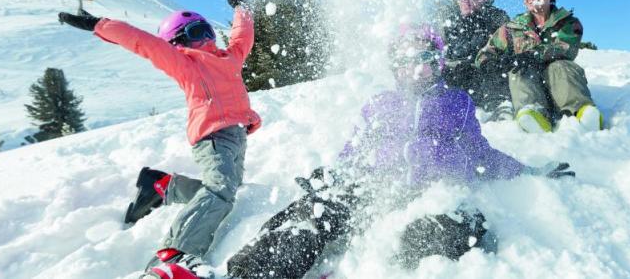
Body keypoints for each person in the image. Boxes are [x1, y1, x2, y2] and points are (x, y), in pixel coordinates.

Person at [223, 24, 575, 279]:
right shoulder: (380, 104)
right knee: (312, 216)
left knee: (449, 230)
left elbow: (483, 154)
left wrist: (531, 171)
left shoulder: (457, 103)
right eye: (407, 58)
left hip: (435, 193)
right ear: (395, 65)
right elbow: (354, 150)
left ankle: (386, 265)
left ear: (438, 61)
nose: (417, 66)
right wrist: (333, 176)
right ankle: (247, 274)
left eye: (426, 57)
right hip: (377, 190)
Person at [58, 0, 261, 279]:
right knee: (221, 189)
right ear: (178, 43)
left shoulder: (229, 57)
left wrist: (242, 8)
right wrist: (98, 24)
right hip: (212, 136)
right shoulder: (185, 64)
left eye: (208, 30)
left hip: (236, 135)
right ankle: (175, 254)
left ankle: (162, 186)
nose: (207, 38)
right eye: (196, 33)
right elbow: (142, 42)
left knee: (226, 192)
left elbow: (243, 36)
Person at [475, 0, 602, 133]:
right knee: (518, 69)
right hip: (529, 88)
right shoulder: (511, 28)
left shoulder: (568, 23)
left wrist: (534, 55)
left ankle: (582, 113)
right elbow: (485, 53)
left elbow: (566, 48)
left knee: (561, 66)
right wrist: (490, 63)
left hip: (559, 86)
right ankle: (533, 114)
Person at [438, 0, 511, 119]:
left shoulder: (495, 17)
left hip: (486, 80)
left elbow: (506, 48)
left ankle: (500, 109)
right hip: (458, 81)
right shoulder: (449, 22)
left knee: (492, 63)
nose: (465, 0)